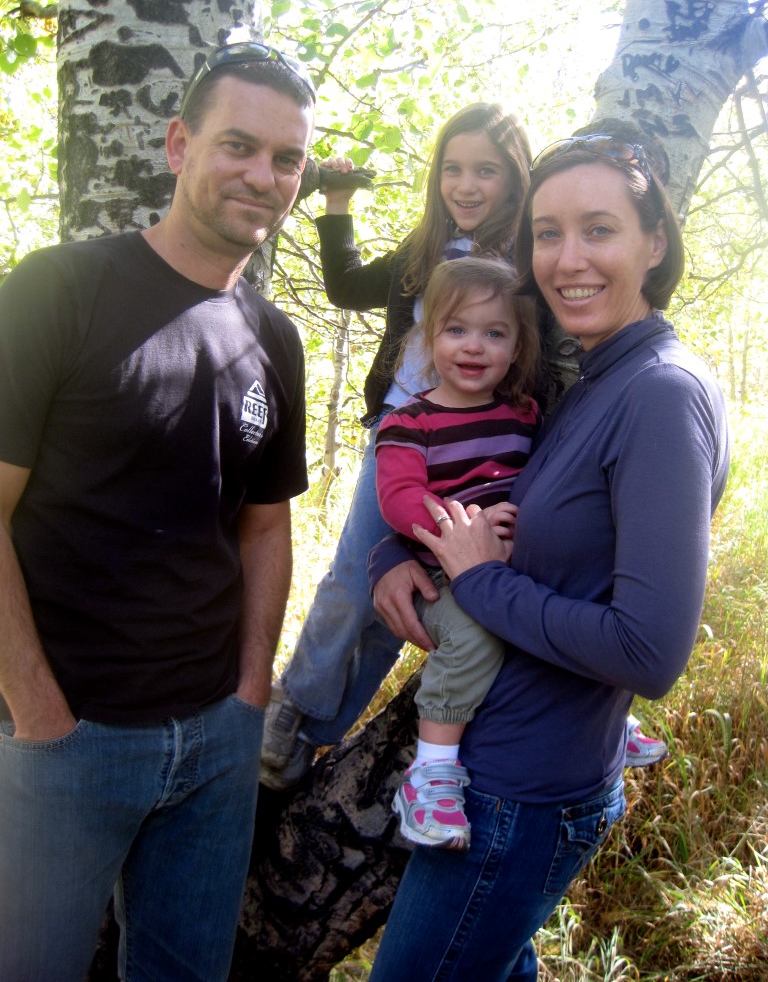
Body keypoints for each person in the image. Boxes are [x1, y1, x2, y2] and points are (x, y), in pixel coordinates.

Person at [367, 132, 730, 981]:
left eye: (598, 229)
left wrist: (479, 581)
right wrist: (397, 548)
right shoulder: (594, 380)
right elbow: (518, 509)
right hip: (504, 773)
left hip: (522, 793)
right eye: (547, 232)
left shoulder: (661, 394)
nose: (568, 259)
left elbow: (649, 650)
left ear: (654, 242)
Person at [0, 41, 315, 982]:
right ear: (180, 145)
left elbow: (264, 527)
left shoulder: (272, 337)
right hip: (64, 742)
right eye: (237, 146)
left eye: (286, 159)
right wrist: (36, 708)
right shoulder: (56, 292)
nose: (263, 176)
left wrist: (249, 694)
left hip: (215, 743)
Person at [260, 101, 577, 789]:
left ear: (516, 179)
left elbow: (552, 361)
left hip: (486, 452)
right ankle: (291, 710)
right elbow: (346, 288)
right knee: (356, 577)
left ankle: (317, 730)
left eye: (486, 171)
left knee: (402, 605)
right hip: (405, 438)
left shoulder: (531, 264)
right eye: (453, 170)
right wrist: (337, 204)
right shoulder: (425, 252)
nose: (466, 186)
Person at [376, 256, 541, 851]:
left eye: (494, 333)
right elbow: (398, 501)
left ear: (518, 346)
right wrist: (468, 529)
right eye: (456, 330)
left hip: (514, 565)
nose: (474, 347)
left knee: (561, 612)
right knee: (476, 637)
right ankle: (431, 774)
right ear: (429, 337)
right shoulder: (408, 422)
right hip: (440, 576)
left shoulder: (524, 416)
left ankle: (603, 719)